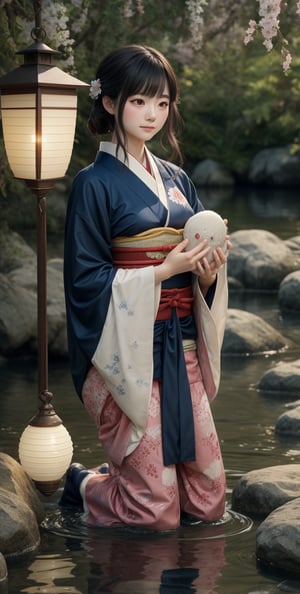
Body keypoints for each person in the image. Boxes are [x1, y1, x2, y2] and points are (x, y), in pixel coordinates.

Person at [60, 44, 230, 531]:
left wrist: (207, 272)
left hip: (183, 343)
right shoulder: (93, 184)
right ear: (110, 103)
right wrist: (159, 270)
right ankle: (87, 485)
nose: (153, 114)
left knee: (208, 501)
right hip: (127, 350)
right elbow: (85, 284)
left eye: (162, 102)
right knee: (156, 514)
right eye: (139, 101)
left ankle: (117, 479)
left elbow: (200, 272)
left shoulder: (177, 179)